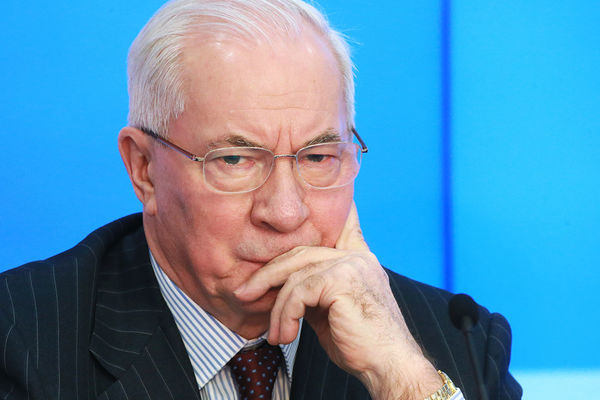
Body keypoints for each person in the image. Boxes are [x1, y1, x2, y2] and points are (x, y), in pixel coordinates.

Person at [0, 0, 522, 399]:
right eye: (235, 160)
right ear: (144, 169)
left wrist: (402, 380)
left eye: (318, 157)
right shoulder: (19, 340)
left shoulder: (455, 344)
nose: (286, 212)